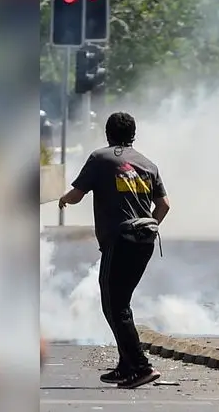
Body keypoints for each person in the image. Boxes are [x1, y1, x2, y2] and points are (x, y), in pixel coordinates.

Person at [57, 112, 169, 389]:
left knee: (113, 304)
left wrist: (63, 200)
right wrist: (148, 225)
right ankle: (125, 366)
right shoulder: (148, 164)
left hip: (120, 239)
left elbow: (77, 193)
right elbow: (164, 205)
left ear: (108, 134)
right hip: (146, 238)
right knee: (121, 303)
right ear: (133, 134)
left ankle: (141, 367)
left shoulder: (101, 158)